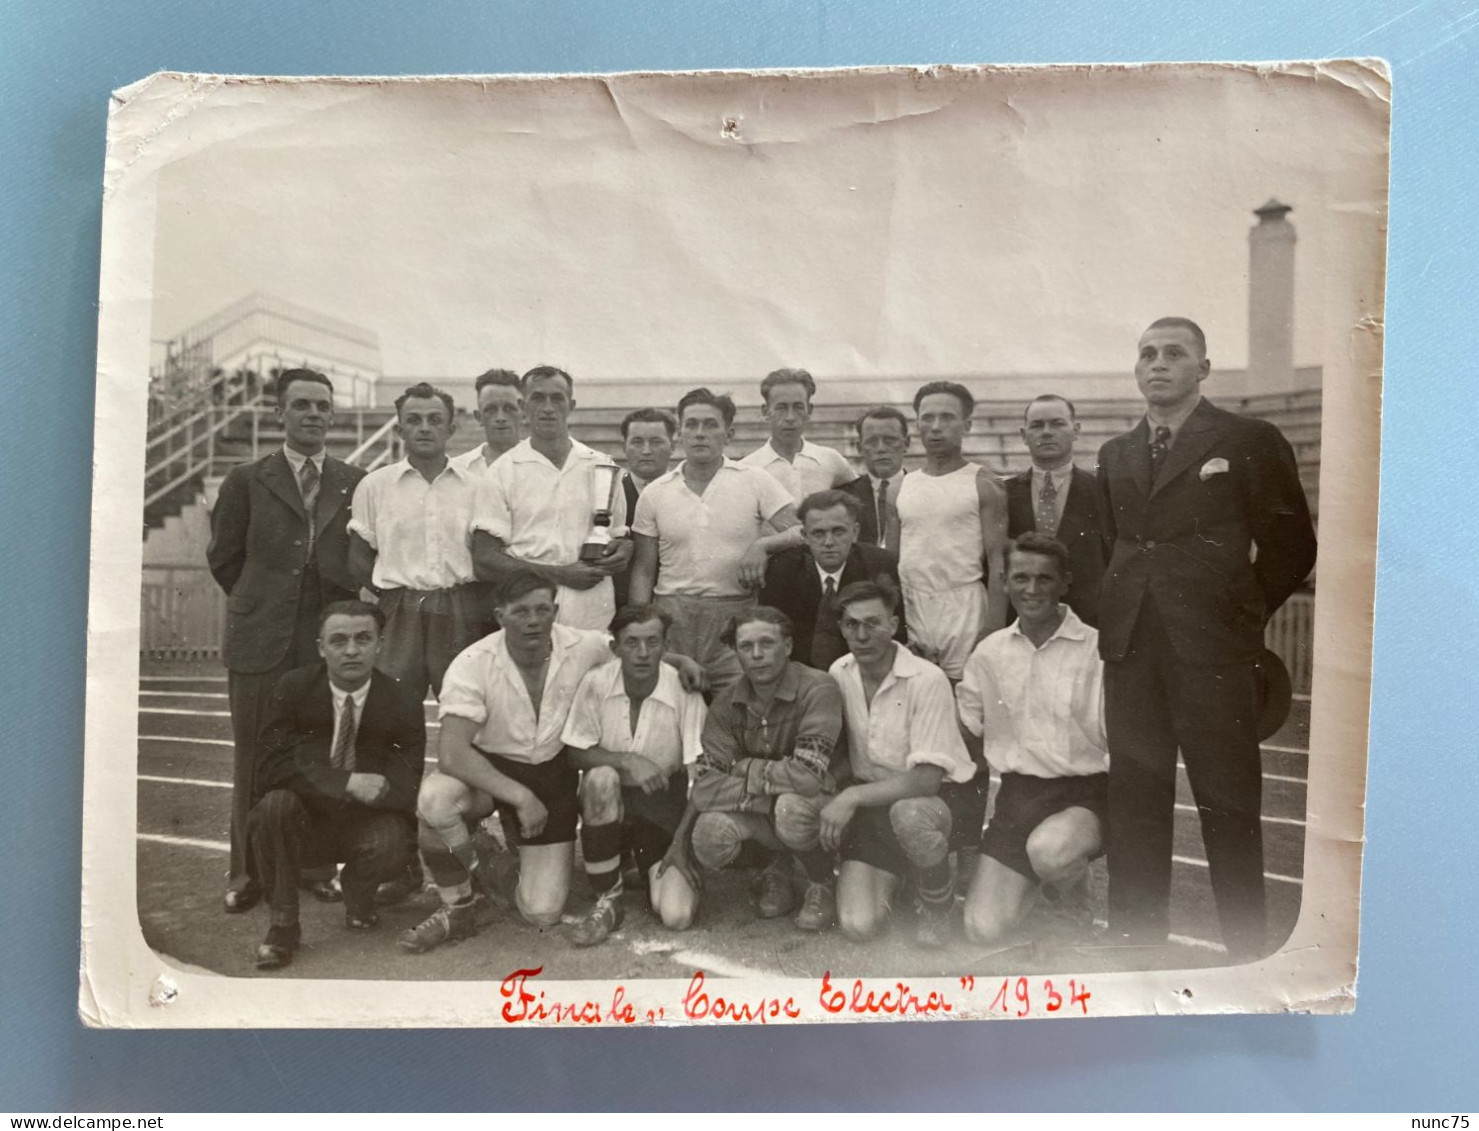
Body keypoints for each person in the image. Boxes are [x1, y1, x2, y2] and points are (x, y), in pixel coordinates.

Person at [1098, 317, 1316, 960]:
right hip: (1133, 649)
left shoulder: (1249, 438)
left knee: (1227, 798)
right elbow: (1120, 545)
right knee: (1136, 795)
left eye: (1174, 354)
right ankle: (1138, 942)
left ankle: (1247, 948)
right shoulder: (1116, 453)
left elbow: (1292, 544)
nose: (1157, 364)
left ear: (1203, 368)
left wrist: (1238, 613)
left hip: (1214, 653)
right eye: (1146, 354)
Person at [400, 571, 704, 952]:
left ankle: (492, 862)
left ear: (555, 611)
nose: (533, 620)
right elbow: (452, 753)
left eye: (542, 609)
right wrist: (521, 799)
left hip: (549, 777)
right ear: (500, 615)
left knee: (541, 912)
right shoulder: (473, 662)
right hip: (489, 772)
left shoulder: (580, 645)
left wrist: (682, 660)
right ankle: (459, 904)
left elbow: (633, 648)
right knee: (434, 799)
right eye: (521, 611)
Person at [207, 368, 366, 914]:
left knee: (323, 753)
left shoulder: (354, 480)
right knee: (254, 756)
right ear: (279, 412)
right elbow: (224, 559)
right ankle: (247, 872)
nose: (314, 415)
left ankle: (317, 865)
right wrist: (265, 604)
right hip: (260, 643)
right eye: (302, 405)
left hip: (323, 646)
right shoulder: (246, 479)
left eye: (323, 406)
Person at [246, 601, 427, 969]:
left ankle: (360, 899)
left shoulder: (403, 699)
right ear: (321, 647)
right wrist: (345, 783)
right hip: (303, 821)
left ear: (379, 644)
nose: (351, 650)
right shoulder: (293, 688)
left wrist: (352, 792)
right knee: (273, 806)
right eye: (339, 640)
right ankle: (283, 926)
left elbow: (405, 784)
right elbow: (268, 768)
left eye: (363, 639)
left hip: (367, 822)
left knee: (393, 835)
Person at [958, 534, 1108, 946]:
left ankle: (1075, 898)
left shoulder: (1097, 649)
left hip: (1086, 796)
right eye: (1020, 578)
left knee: (1049, 850)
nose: (1031, 589)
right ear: (1004, 583)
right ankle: (1042, 885)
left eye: (1045, 579)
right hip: (1019, 797)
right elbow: (966, 726)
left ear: (1065, 583)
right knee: (982, 928)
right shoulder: (989, 653)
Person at [813, 581, 978, 947]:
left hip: (933, 803)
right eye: (852, 624)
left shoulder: (927, 678)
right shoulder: (839, 671)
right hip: (876, 804)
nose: (862, 634)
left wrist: (850, 796)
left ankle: (939, 902)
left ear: (893, 624)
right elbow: (848, 748)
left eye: (873, 623)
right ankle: (904, 875)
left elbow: (925, 781)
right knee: (858, 925)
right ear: (841, 628)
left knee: (911, 816)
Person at [681, 607, 844, 931]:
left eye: (767, 643)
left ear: (787, 645)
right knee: (710, 835)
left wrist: (746, 767)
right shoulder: (726, 703)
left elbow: (807, 779)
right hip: (777, 807)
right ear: (736, 651)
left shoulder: (818, 687)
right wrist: (774, 788)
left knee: (792, 809)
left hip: (827, 805)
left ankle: (821, 880)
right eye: (745, 646)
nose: (756, 655)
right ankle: (777, 867)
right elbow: (704, 789)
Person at [629, 388, 800, 692]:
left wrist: (763, 545)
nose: (699, 433)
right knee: (674, 714)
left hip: (734, 620)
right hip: (673, 618)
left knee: (737, 711)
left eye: (710, 425)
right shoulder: (656, 492)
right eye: (691, 425)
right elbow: (643, 569)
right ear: (679, 433)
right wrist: (641, 626)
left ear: (728, 433)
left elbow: (803, 530)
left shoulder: (754, 480)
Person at [561, 604, 706, 945]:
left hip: (661, 811)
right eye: (632, 643)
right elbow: (574, 752)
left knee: (677, 915)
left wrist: (681, 843)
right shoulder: (596, 682)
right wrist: (627, 759)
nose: (642, 653)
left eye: (652, 642)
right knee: (600, 778)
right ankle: (608, 897)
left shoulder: (683, 689)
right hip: (613, 803)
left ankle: (642, 869)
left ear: (666, 646)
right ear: (615, 648)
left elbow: (701, 775)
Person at [347, 382, 481, 699]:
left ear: (451, 428)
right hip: (399, 609)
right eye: (414, 420)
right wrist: (393, 596)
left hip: (458, 608)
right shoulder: (374, 485)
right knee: (394, 708)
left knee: (466, 704)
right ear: (400, 430)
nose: (424, 428)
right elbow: (358, 559)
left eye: (435, 420)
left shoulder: (477, 487)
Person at [472, 366, 630, 632]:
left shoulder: (601, 466)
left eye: (557, 398)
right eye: (537, 398)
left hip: (591, 617)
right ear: (523, 406)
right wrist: (560, 574)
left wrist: (623, 550)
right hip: (528, 617)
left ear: (572, 405)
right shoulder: (503, 471)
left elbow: (617, 536)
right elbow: (485, 560)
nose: (548, 407)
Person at [895, 380, 1009, 681]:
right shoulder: (901, 486)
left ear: (966, 425)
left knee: (968, 703)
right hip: (912, 605)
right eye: (927, 418)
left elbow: (999, 559)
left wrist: (992, 628)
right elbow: (889, 562)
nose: (935, 427)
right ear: (917, 424)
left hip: (965, 608)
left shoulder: (983, 483)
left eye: (947, 418)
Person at [758, 489, 905, 671]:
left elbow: (896, 634)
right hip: (802, 676)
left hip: (863, 670)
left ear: (855, 532)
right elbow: (775, 638)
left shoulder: (879, 566)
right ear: (805, 535)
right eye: (818, 533)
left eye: (838, 532)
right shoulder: (781, 571)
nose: (828, 542)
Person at [1004, 394, 1106, 627]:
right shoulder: (1004, 493)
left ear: (1076, 430)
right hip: (1021, 620)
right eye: (1037, 425)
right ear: (1023, 435)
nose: (1047, 432)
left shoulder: (1101, 492)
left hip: (1087, 622)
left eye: (1057, 423)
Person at [738, 367, 856, 501]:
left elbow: (860, 503)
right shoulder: (747, 469)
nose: (790, 417)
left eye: (798, 407)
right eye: (781, 408)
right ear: (766, 412)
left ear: (809, 410)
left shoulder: (831, 460)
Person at [612, 407, 677, 609]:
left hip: (675, 604)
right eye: (637, 442)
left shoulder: (685, 492)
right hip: (618, 607)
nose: (646, 451)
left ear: (672, 446)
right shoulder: (610, 495)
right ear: (624, 446)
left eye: (656, 442)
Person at [839, 406, 911, 550]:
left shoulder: (923, 491)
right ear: (859, 448)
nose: (880, 449)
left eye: (890, 440)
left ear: (906, 443)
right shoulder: (842, 498)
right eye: (872, 442)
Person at [453, 368, 524, 476]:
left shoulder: (542, 466)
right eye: (491, 410)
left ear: (522, 413)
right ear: (479, 417)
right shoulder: (459, 469)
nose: (501, 418)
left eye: (509, 408)